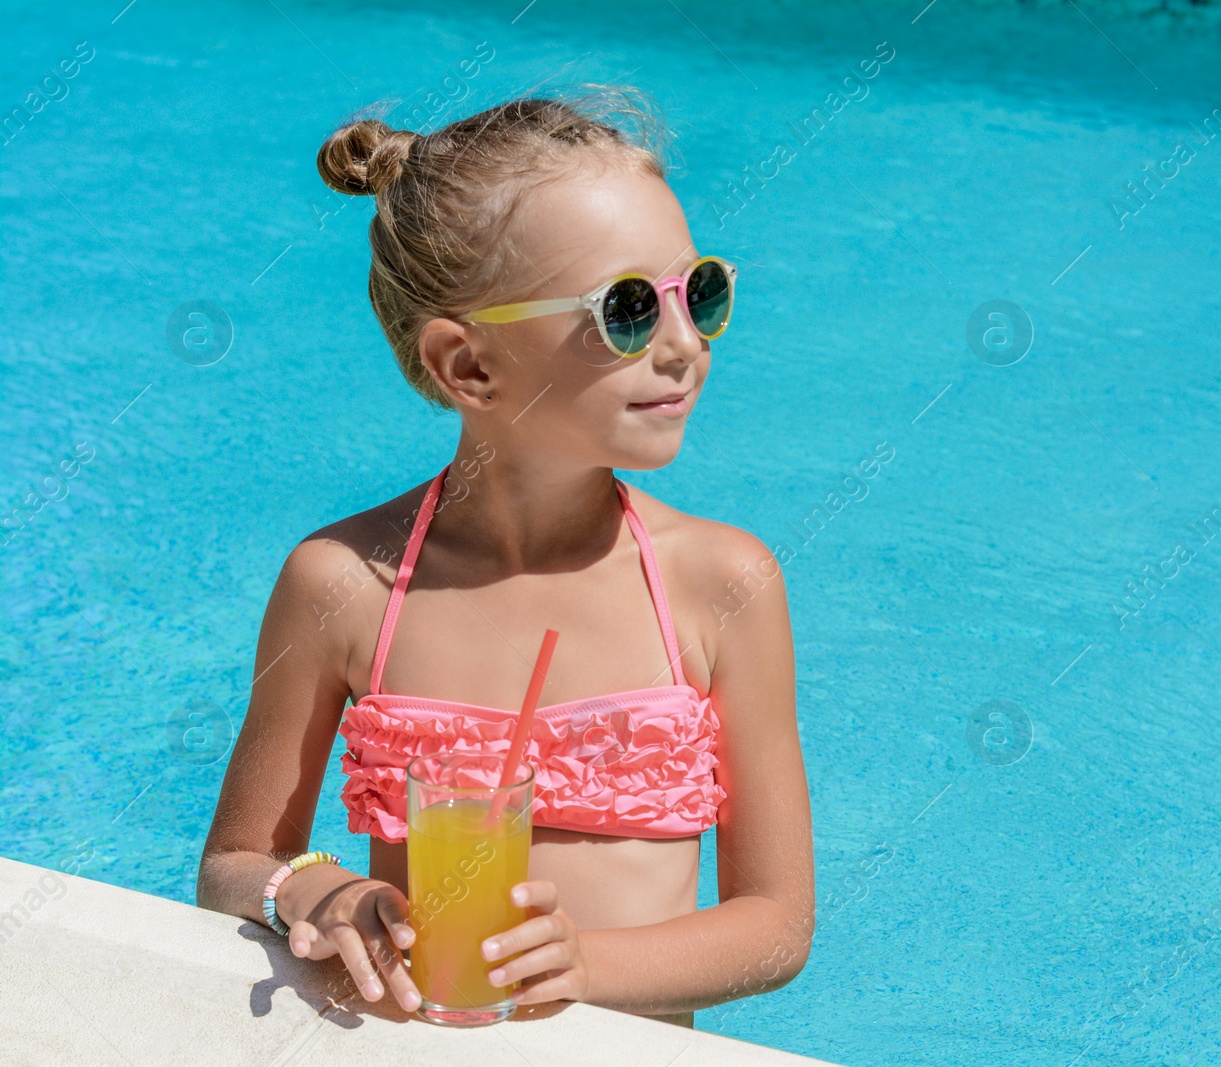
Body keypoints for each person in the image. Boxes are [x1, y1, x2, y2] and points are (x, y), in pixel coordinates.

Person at [196, 90, 814, 1030]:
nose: (686, 345)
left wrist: (584, 964)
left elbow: (777, 928)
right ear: (469, 367)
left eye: (704, 292)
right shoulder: (343, 584)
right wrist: (318, 891)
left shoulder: (722, 586)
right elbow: (235, 863)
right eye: (631, 310)